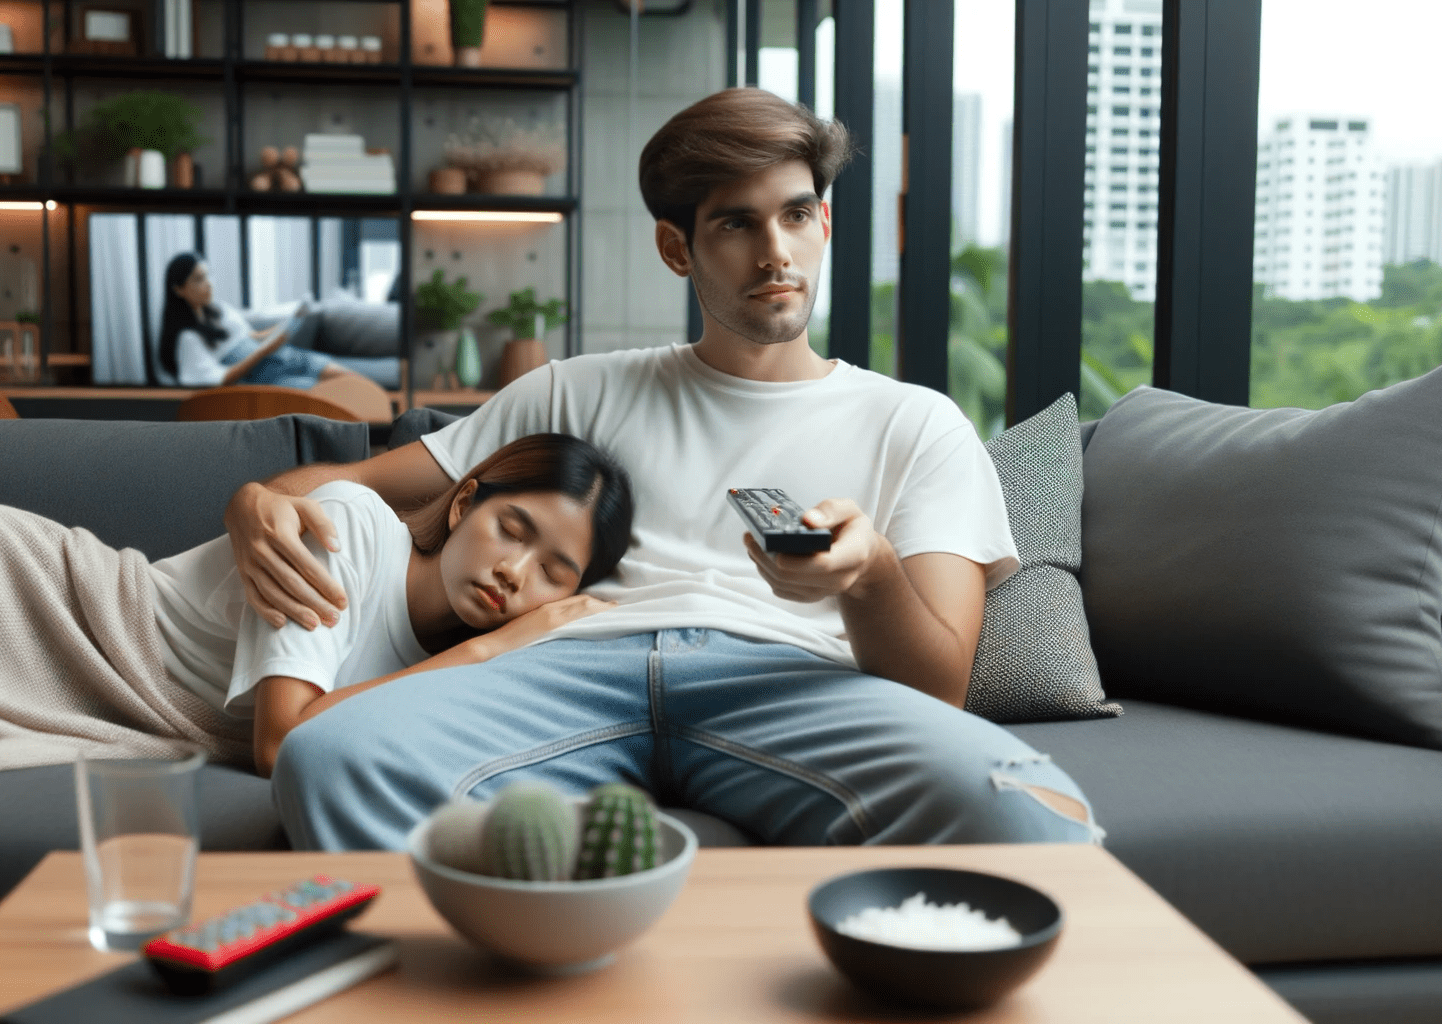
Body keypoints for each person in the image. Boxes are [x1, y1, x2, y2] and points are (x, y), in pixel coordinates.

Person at [225, 88, 1102, 851]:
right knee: (326, 757)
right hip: (560, 673)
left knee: (1028, 809)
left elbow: (940, 687)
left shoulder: (918, 424)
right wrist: (250, 506)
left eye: (796, 214)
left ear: (826, 221)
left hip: (784, 679)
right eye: (735, 223)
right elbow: (324, 490)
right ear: (677, 249)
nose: (776, 253)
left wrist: (867, 573)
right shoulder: (576, 390)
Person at [0, 434, 633, 833]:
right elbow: (283, 743)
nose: (518, 573)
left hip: (95, 694)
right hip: (5, 589)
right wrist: (492, 650)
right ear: (468, 501)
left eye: (556, 570)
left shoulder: (443, 673)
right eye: (516, 530)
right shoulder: (352, 526)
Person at [158, 252, 354, 390]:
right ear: (178, 289)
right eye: (199, 279)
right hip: (265, 377)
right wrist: (264, 351)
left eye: (208, 275)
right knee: (335, 394)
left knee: (351, 381)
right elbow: (221, 379)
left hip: (283, 357)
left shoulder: (219, 310)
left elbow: (252, 336)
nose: (209, 283)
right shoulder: (188, 338)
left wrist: (289, 323)